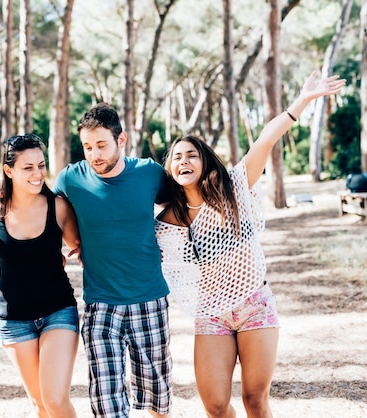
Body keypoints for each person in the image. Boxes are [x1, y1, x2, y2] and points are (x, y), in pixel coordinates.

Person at [155, 71, 346, 418]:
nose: (184, 161)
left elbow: (264, 141)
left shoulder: (234, 191)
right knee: (215, 405)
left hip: (255, 304)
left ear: (205, 161)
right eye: (177, 157)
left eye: (192, 155)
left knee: (255, 401)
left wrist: (302, 100)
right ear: (169, 168)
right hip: (211, 313)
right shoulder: (164, 222)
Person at [53, 103, 172, 418]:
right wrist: (72, 241)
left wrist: (160, 238)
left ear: (122, 140)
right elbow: (42, 206)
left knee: (157, 400)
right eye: (88, 147)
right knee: (107, 404)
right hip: (100, 304)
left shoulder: (149, 173)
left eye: (102, 145)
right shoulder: (71, 178)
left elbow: (183, 202)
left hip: (150, 299)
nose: (94, 155)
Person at [0, 133, 81, 418]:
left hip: (58, 311)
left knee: (54, 399)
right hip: (15, 319)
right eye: (28, 167)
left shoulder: (58, 206)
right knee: (39, 404)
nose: (37, 173)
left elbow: (81, 246)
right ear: (9, 170)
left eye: (41, 165)